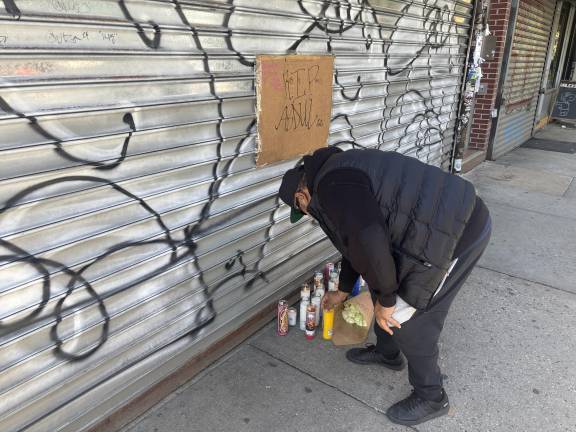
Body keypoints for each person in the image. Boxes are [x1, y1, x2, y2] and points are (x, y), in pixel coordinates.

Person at [279, 146, 491, 426]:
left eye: (302, 210)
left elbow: (369, 237)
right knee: (383, 289)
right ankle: (388, 353)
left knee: (413, 317)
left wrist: (388, 299)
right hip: (436, 226)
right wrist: (344, 289)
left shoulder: (331, 189)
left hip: (458, 231)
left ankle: (432, 396)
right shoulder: (334, 173)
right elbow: (354, 242)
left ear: (301, 196)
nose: (307, 214)